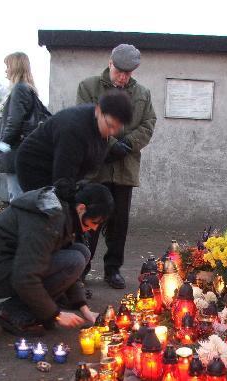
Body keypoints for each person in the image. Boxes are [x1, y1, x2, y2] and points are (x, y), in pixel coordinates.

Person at [0, 182, 114, 336]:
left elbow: (61, 263)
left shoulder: (66, 212)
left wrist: (83, 308)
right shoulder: (48, 218)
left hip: (11, 265)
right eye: (94, 222)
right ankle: (12, 310)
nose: (94, 228)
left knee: (81, 251)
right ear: (81, 208)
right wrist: (55, 314)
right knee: (75, 259)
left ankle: (39, 305)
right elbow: (25, 276)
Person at [76, 44, 156, 289]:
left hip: (125, 169)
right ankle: (80, 270)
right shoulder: (89, 87)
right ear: (110, 63)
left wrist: (128, 144)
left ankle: (113, 270)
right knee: (88, 221)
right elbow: (86, 119)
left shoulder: (142, 93)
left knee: (119, 224)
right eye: (119, 71)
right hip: (95, 168)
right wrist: (111, 145)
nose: (122, 77)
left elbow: (148, 123)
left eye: (128, 73)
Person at [16, 90, 133, 194]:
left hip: (60, 164)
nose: (112, 132)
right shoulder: (74, 130)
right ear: (98, 111)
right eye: (110, 125)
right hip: (34, 167)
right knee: (51, 205)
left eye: (117, 128)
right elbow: (63, 179)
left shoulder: (100, 126)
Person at [0, 52, 43, 202]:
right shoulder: (29, 90)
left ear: (15, 67)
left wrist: (1, 145)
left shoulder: (19, 89)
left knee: (17, 199)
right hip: (25, 150)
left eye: (7, 66)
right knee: (25, 197)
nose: (5, 70)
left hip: (16, 151)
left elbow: (14, 123)